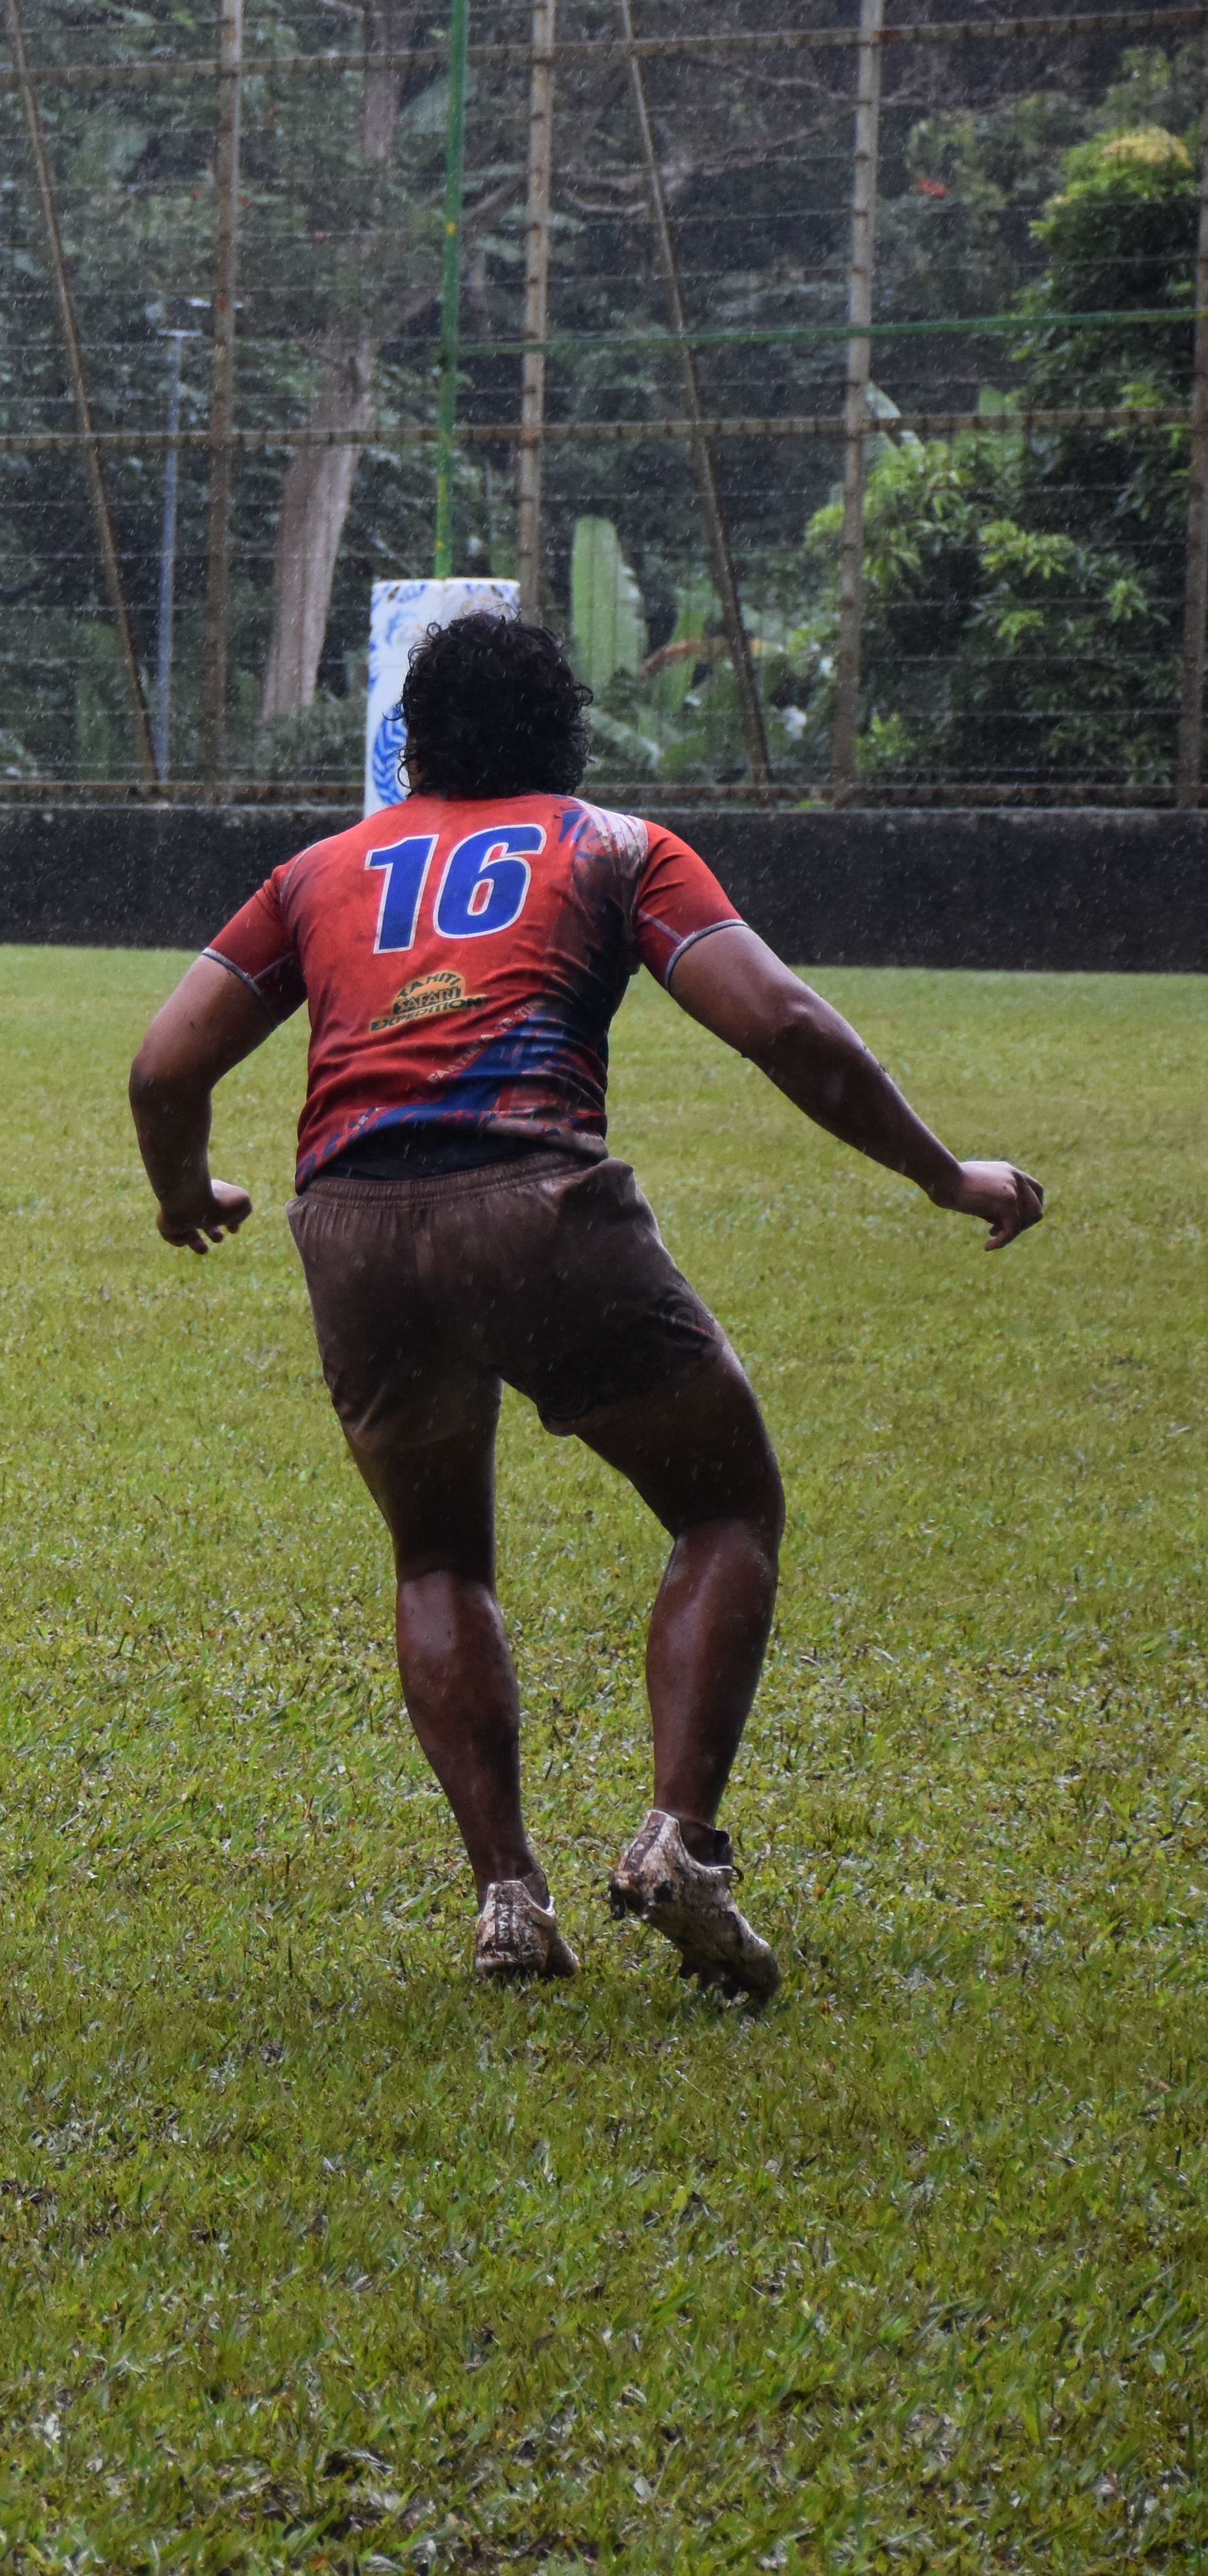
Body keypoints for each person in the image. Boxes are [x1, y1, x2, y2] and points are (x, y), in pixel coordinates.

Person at [125, 612, 1043, 1995]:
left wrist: (185, 1192)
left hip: (353, 1227)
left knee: (438, 1560)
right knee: (726, 1507)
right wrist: (943, 1174)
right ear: (566, 735)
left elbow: (162, 1065)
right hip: (534, 1208)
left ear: (410, 742)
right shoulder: (616, 846)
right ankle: (678, 1842)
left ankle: (507, 1894)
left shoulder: (316, 872)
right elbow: (783, 1023)